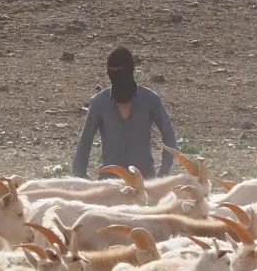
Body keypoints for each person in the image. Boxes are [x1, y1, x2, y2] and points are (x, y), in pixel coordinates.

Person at [72, 47, 178, 179]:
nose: (116, 76)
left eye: (120, 71)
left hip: (144, 183)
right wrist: (81, 178)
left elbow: (169, 137)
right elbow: (85, 142)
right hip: (109, 184)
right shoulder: (99, 102)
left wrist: (163, 174)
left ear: (130, 70)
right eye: (112, 71)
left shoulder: (150, 100)